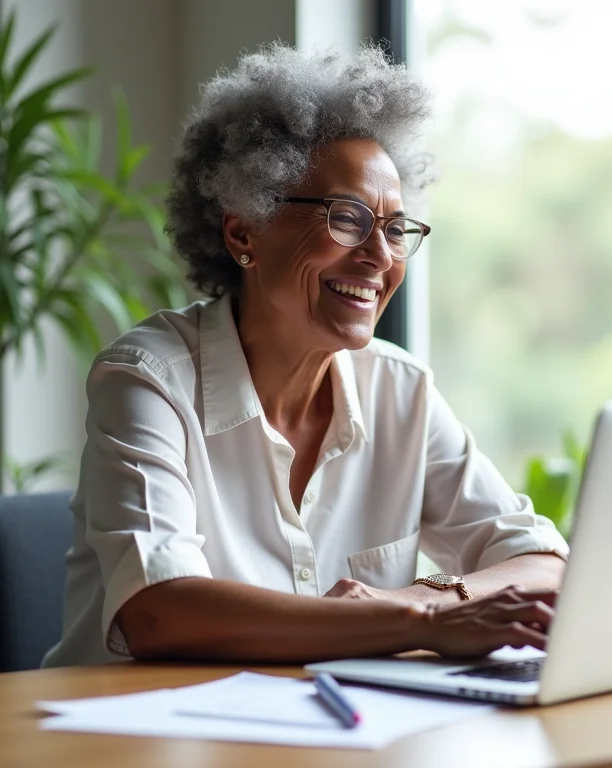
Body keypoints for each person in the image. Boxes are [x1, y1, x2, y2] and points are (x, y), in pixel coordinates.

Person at [42, 44, 568, 668]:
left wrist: (441, 597)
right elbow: (159, 611)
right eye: (347, 218)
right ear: (244, 233)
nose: (380, 256)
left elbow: (544, 565)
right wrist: (418, 620)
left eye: (396, 228)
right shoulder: (150, 380)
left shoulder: (400, 390)